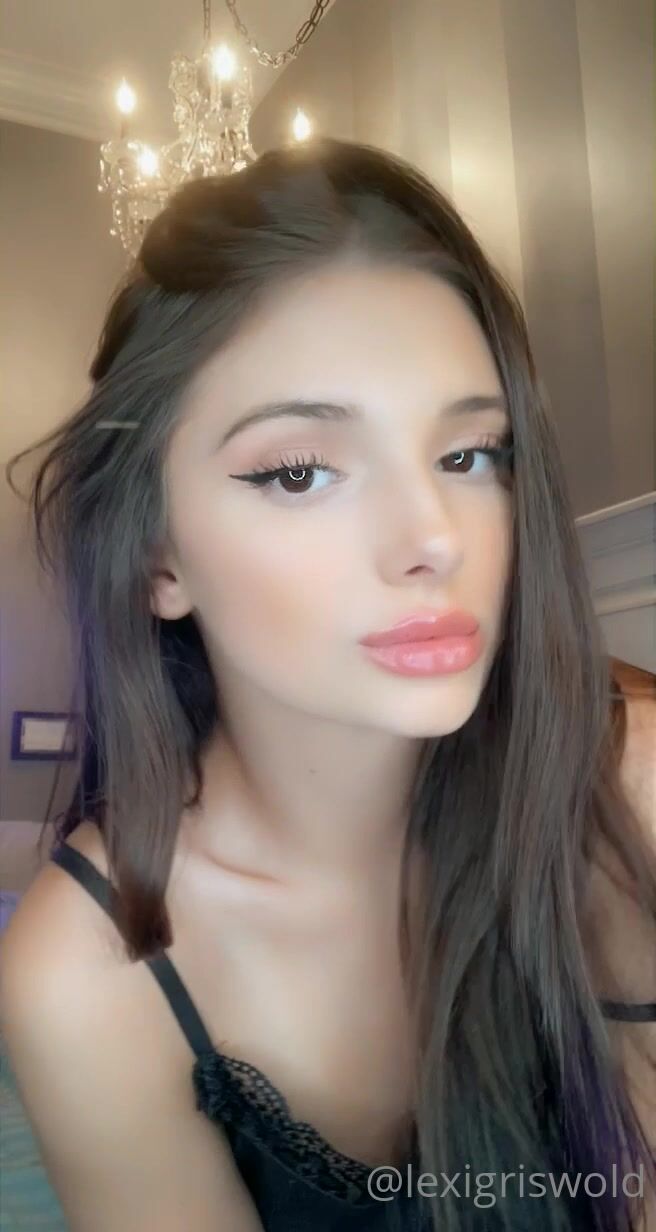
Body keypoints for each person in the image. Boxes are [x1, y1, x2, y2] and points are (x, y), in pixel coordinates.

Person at [1, 138, 655, 1232]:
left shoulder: (622, 796)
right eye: (299, 471)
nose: (432, 538)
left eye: (469, 455)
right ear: (157, 556)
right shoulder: (90, 969)